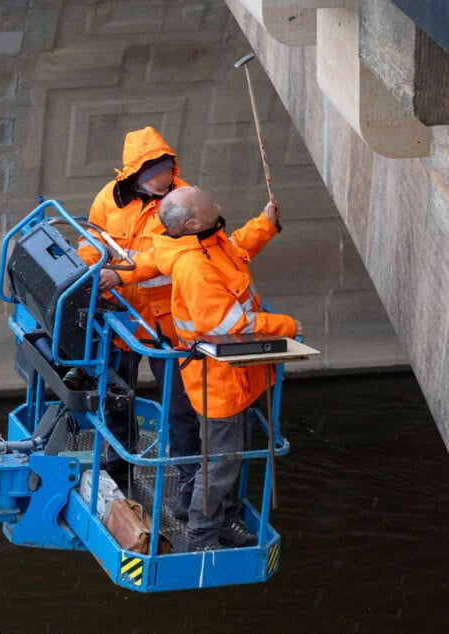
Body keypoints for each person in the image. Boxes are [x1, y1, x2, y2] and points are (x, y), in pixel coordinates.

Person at [153, 186, 302, 551]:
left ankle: (225, 519)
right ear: (191, 222)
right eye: (208, 204)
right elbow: (227, 323)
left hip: (233, 375)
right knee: (221, 462)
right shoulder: (194, 267)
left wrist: (264, 225)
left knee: (228, 458)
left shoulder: (207, 244)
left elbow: (236, 250)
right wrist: (286, 326)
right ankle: (202, 535)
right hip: (219, 382)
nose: (216, 203)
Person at [77, 126, 200, 514]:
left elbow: (173, 257)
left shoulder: (185, 201)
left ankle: (188, 485)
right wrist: (88, 267)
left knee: (181, 408)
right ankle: (120, 469)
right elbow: (89, 240)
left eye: (169, 172)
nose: (167, 181)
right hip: (122, 319)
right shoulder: (108, 200)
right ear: (138, 175)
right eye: (160, 174)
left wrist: (124, 273)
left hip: (168, 322)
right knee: (117, 400)